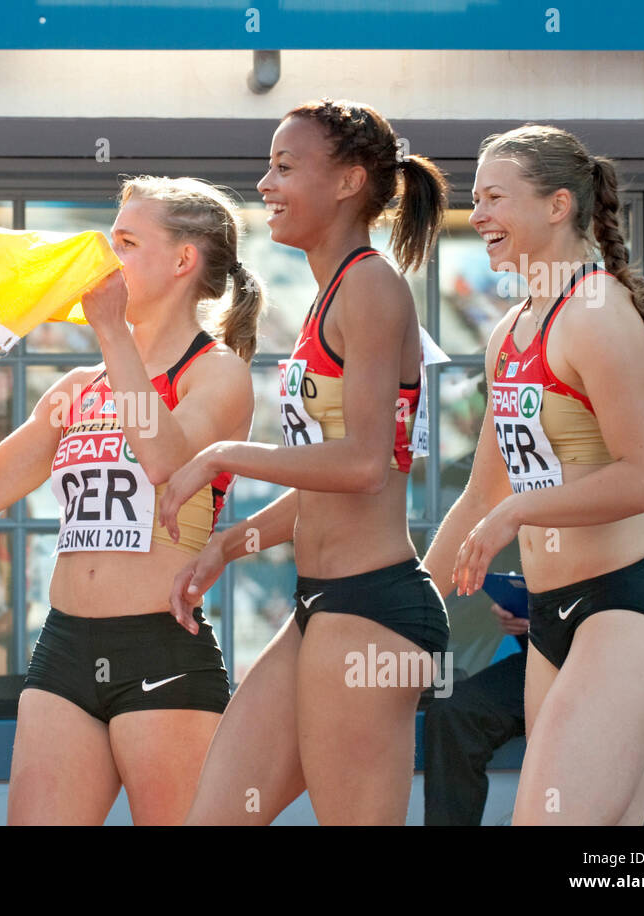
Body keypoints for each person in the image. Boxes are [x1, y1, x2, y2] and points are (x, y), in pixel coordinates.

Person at [0, 176, 262, 825]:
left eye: (127, 243)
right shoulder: (79, 385)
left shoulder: (214, 371)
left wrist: (111, 331)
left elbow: (165, 458)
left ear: (183, 260)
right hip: (64, 649)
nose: (106, 260)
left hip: (160, 650)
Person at [157, 99, 450, 825]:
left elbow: (363, 468)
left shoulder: (372, 286)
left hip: (374, 608)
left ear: (349, 181)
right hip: (319, 604)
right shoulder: (333, 293)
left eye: (285, 167)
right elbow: (325, 482)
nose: (265, 183)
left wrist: (221, 454)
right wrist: (230, 542)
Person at [422, 125, 644, 825]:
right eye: (474, 198)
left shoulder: (599, 312)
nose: (477, 213)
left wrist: (522, 512)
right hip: (553, 623)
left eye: (494, 197)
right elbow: (483, 491)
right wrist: (413, 613)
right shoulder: (508, 329)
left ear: (557, 205)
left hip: (625, 615)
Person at [422, 282, 644, 825]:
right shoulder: (565, 413)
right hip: (561, 628)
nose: (624, 353)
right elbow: (490, 494)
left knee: (580, 785)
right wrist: (519, 599)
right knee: (457, 714)